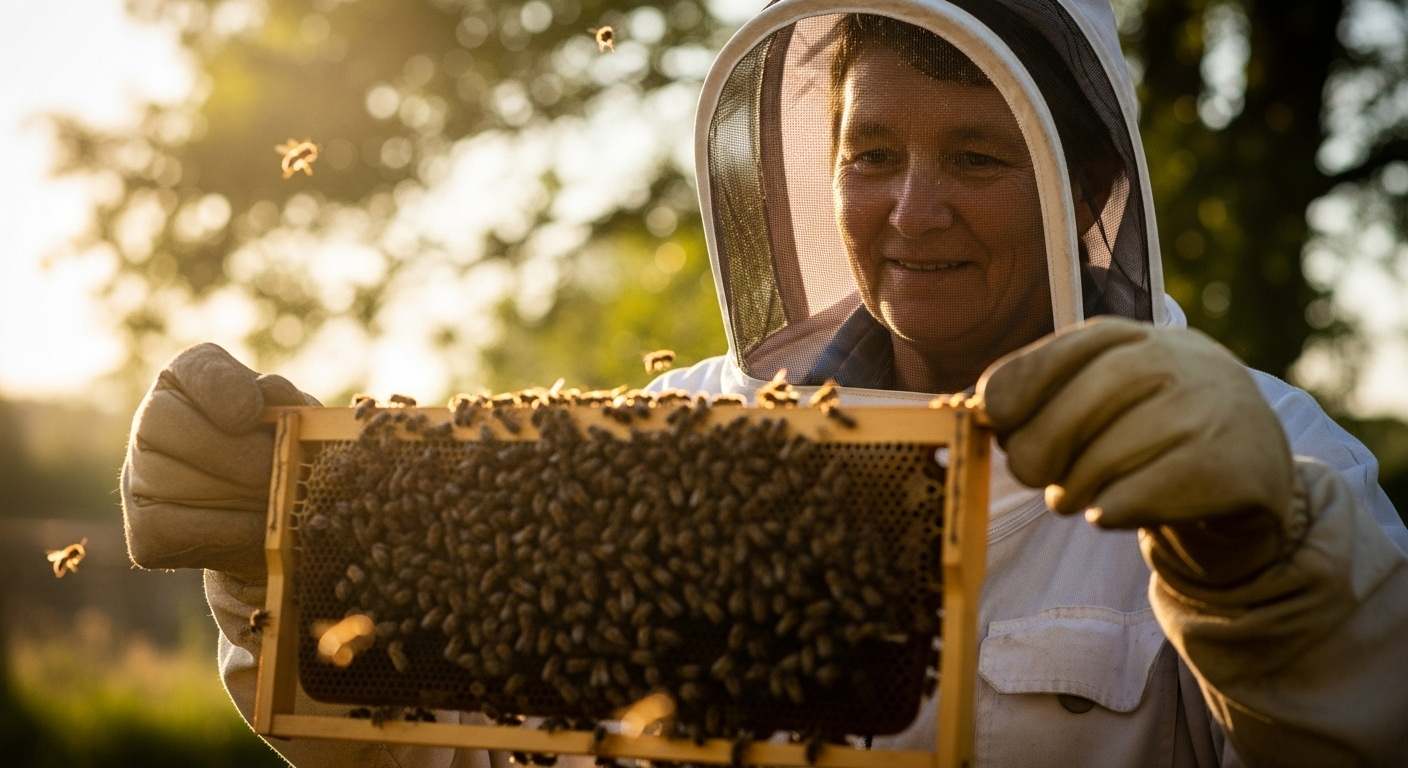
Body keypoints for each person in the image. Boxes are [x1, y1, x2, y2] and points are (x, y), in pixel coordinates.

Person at [121, 1, 1408, 766]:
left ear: (1088, 188)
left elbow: (1361, 732)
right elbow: (464, 746)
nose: (912, 211)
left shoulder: (1269, 454)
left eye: (976, 156)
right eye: (872, 153)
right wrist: (284, 565)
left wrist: (1260, 571)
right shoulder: (679, 436)